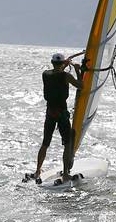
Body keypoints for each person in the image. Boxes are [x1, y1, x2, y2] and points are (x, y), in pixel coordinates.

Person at [28, 51, 82, 183]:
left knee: (45, 143)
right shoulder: (67, 76)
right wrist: (77, 70)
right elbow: (81, 85)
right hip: (62, 114)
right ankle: (65, 173)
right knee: (68, 143)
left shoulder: (45, 74)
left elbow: (56, 74)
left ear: (52, 63)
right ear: (62, 63)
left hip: (50, 112)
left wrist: (64, 64)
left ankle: (37, 171)